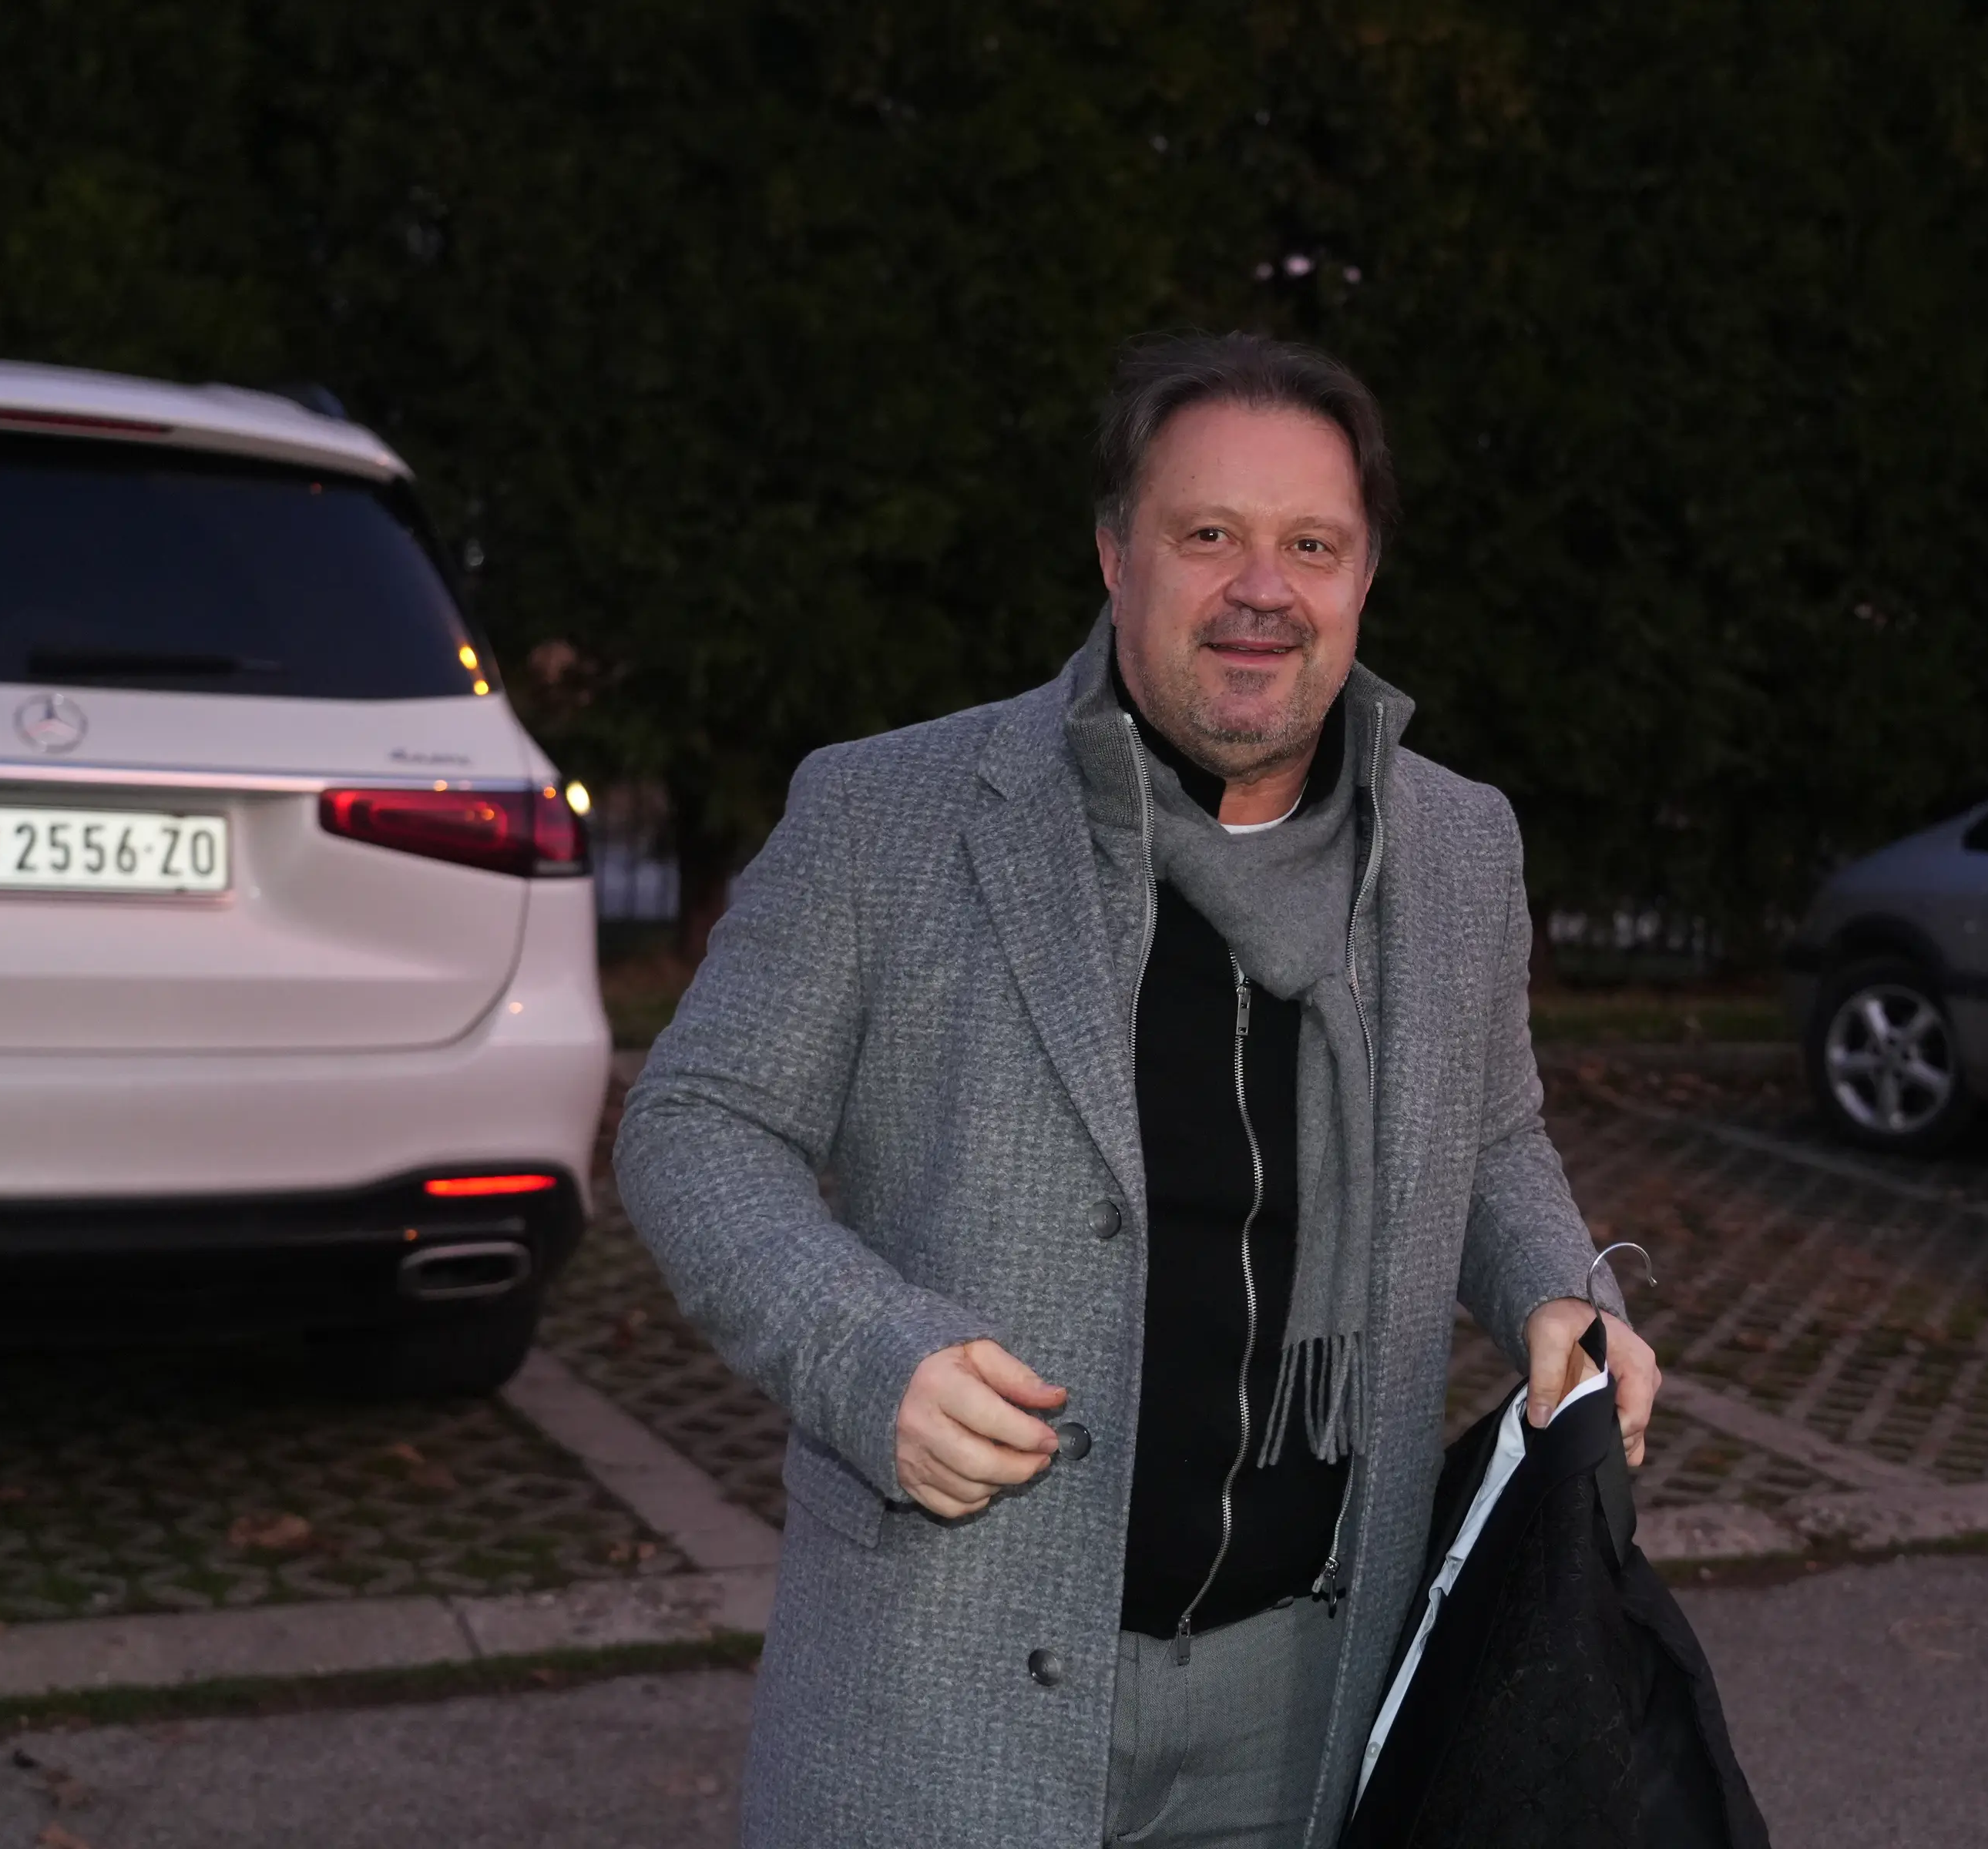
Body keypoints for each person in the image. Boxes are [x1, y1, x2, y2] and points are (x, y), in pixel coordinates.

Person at [615, 330, 1661, 1848]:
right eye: (1208, 535)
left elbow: (1492, 1132)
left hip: (1302, 1722)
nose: (1262, 590)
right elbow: (699, 1125)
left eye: (1312, 545)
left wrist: (1559, 1288)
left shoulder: (1457, 846)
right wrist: (862, 1353)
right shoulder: (883, 815)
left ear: (1365, 577)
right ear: (1116, 556)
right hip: (941, 1699)